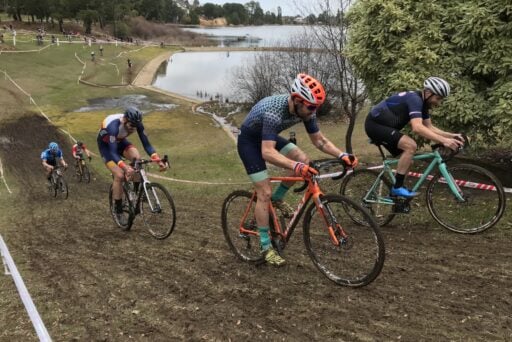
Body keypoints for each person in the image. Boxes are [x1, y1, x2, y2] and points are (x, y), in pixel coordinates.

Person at [237, 73, 358, 266]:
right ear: (296, 100)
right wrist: (295, 166)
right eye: (310, 107)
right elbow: (267, 152)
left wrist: (341, 155)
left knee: (304, 159)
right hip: (249, 142)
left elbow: (319, 140)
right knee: (264, 192)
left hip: (268, 136)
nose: (313, 112)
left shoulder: (306, 109)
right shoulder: (273, 111)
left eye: (315, 108)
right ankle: (266, 246)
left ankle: (277, 199)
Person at [364, 76, 463, 198]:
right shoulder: (414, 99)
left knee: (408, 161)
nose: (438, 102)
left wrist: (451, 135)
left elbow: (429, 127)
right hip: (374, 126)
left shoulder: (423, 103)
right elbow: (417, 127)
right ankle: (397, 188)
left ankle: (395, 195)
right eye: (438, 98)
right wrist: (444, 141)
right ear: (428, 92)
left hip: (387, 128)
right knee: (411, 146)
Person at [97, 107, 167, 225]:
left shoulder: (137, 123)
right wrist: (125, 167)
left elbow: (147, 144)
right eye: (131, 126)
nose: (133, 129)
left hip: (120, 142)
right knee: (119, 175)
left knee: (137, 160)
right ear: (124, 120)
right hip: (107, 148)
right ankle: (118, 210)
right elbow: (113, 152)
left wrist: (157, 159)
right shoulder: (113, 126)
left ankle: (135, 195)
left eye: (135, 126)